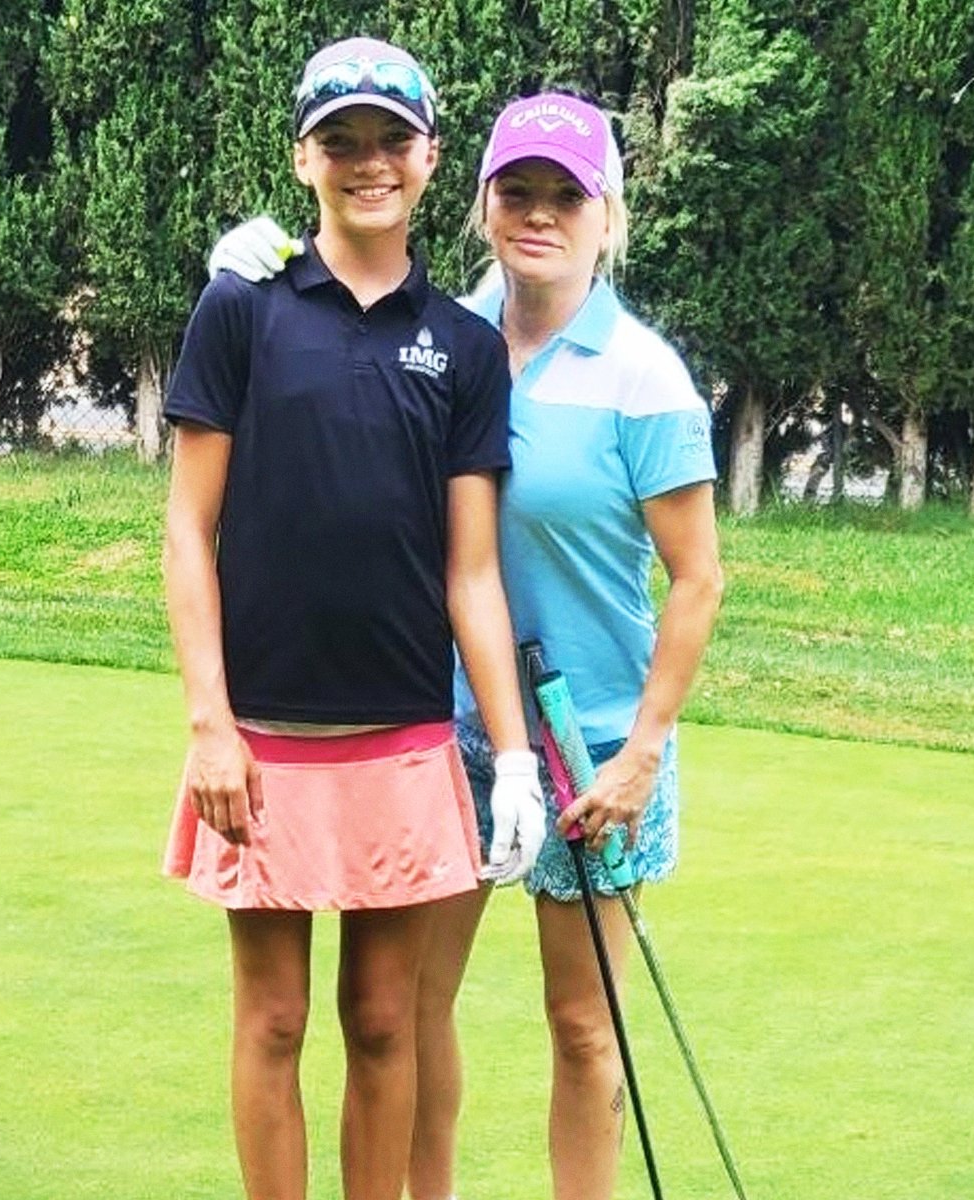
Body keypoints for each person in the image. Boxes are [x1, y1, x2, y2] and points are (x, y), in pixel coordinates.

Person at [207, 92, 725, 1200]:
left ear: (606, 215)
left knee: (585, 1028)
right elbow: (328, 311)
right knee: (411, 1011)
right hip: (451, 733)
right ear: (483, 202)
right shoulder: (452, 332)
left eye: (566, 197)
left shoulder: (645, 377)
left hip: (597, 748)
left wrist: (642, 751)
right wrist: (254, 257)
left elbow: (698, 581)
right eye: (518, 192)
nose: (540, 214)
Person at [157, 38, 543, 1200]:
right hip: (261, 737)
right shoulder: (242, 308)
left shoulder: (469, 349)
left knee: (383, 1023)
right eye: (342, 141)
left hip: (402, 733)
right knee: (271, 1021)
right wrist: (209, 723)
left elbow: (471, 572)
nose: (368, 163)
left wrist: (514, 758)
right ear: (303, 157)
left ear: (431, 158)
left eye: (390, 141)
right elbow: (188, 530)